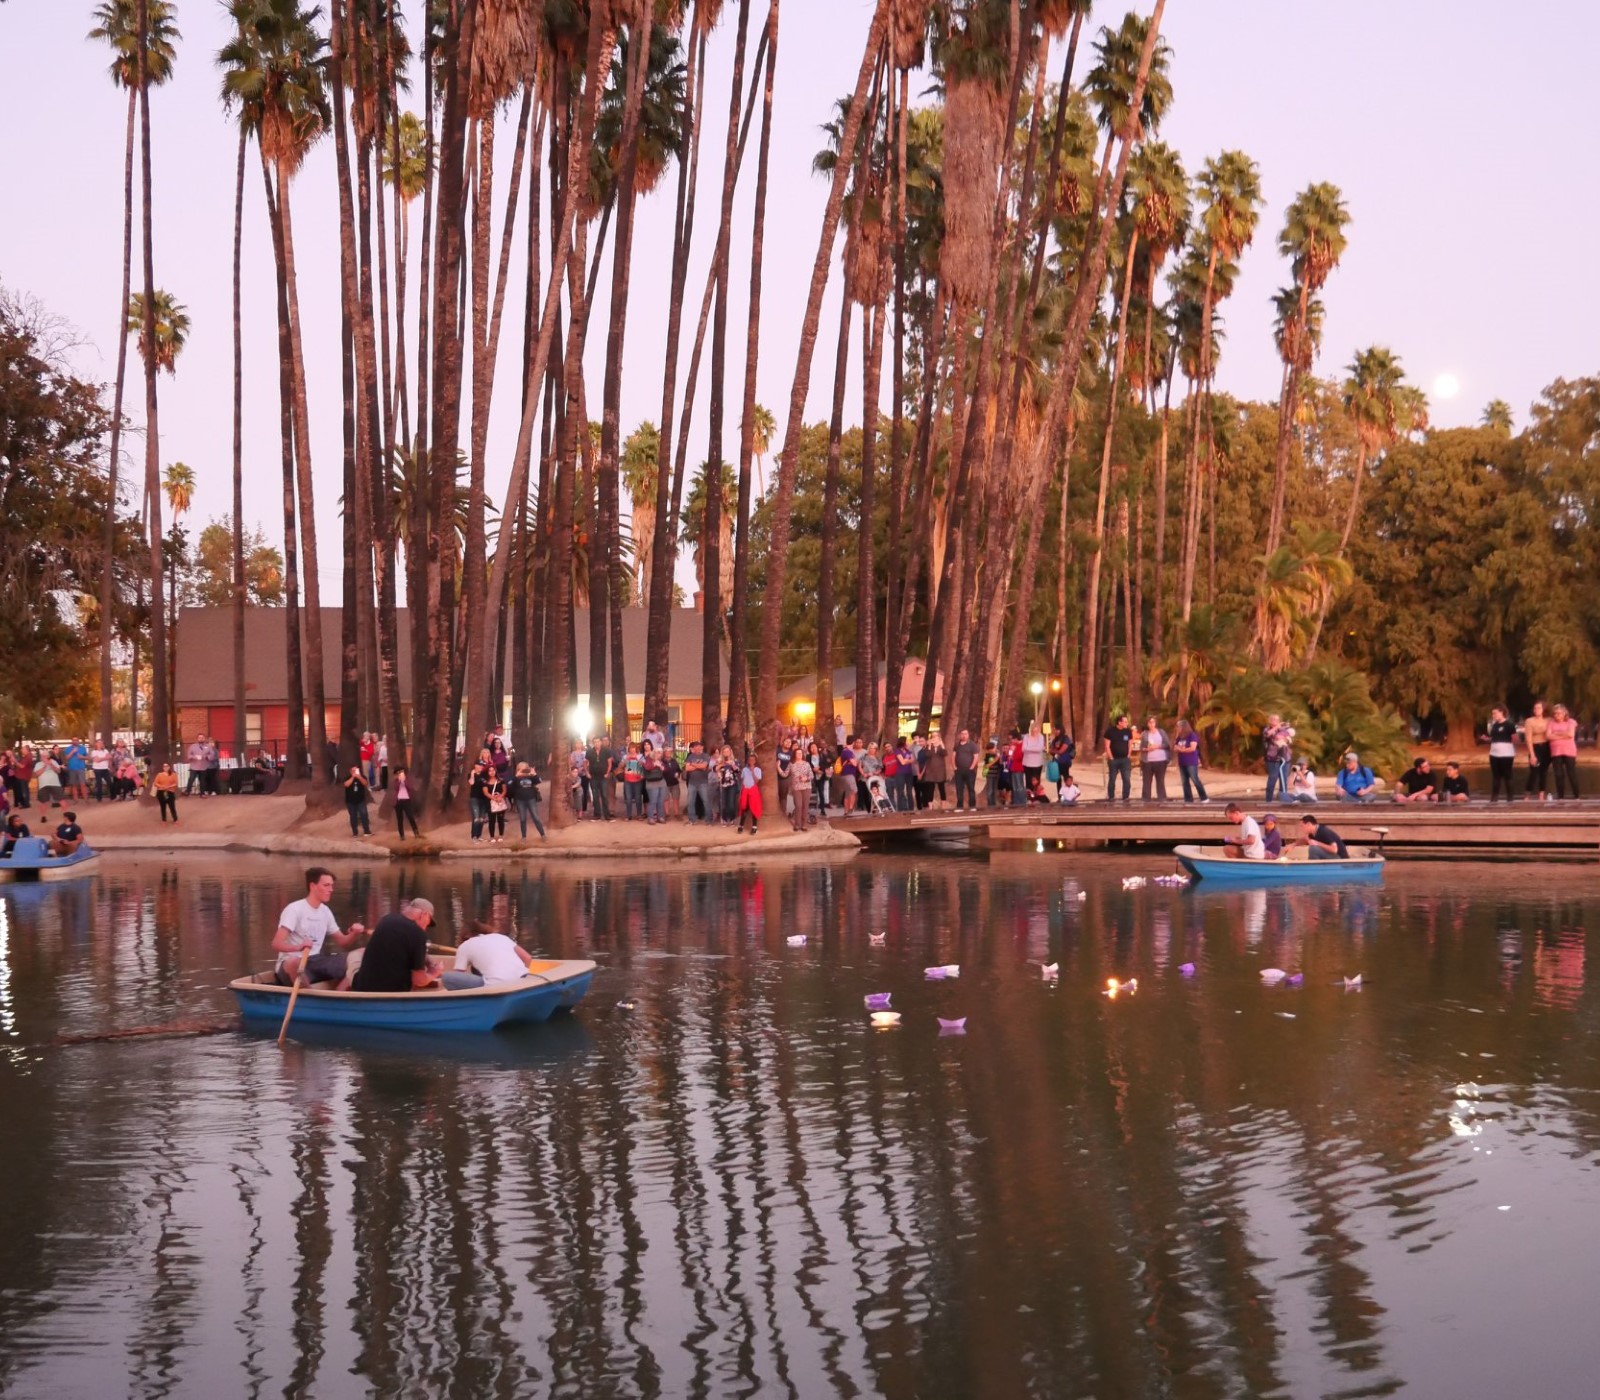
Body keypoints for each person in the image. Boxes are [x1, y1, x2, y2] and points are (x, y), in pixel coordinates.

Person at [270, 868, 367, 985]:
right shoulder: (294, 909)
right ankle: (309, 997)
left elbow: (343, 942)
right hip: (292, 963)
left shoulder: (325, 911)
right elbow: (276, 944)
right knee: (293, 963)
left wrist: (354, 933)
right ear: (312, 886)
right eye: (326, 885)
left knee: (362, 954)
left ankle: (338, 996)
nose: (331, 890)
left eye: (332, 886)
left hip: (317, 961)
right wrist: (299, 947)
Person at [351, 898, 442, 993]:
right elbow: (419, 981)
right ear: (424, 915)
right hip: (394, 994)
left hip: (363, 989)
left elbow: (400, 948)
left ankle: (341, 993)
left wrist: (424, 957)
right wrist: (434, 973)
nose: (426, 928)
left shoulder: (386, 919)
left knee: (354, 955)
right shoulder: (418, 934)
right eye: (428, 923)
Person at [443, 920, 536, 990]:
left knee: (448, 978)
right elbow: (527, 958)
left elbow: (458, 975)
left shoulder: (465, 946)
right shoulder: (501, 937)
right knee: (475, 969)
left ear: (464, 936)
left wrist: (438, 974)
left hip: (495, 987)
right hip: (522, 981)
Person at [1548, 704, 1580, 799]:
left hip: (1569, 751)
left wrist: (1556, 734)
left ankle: (1576, 796)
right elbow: (1548, 736)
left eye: (1559, 713)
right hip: (1556, 752)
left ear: (1564, 713)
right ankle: (1560, 796)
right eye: (1555, 714)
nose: (1556, 715)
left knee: (1571, 773)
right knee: (1558, 775)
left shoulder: (1571, 722)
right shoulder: (1551, 723)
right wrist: (1563, 734)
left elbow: (1570, 734)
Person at [1262, 714, 1295, 802]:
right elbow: (1267, 735)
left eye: (1277, 719)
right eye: (1273, 719)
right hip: (1272, 759)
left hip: (1285, 758)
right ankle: (1268, 800)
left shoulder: (1284, 730)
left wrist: (1285, 739)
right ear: (1269, 721)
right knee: (1272, 778)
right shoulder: (1267, 729)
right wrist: (1276, 727)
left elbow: (1290, 737)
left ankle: (1283, 799)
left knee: (1283, 780)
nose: (1275, 720)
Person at [1487, 706, 1517, 802]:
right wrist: (1487, 739)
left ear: (1502, 712)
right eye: (1493, 714)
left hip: (1506, 754)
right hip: (1494, 753)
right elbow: (1493, 738)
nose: (1493, 715)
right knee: (1496, 776)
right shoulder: (1494, 725)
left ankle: (1510, 797)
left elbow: (1514, 738)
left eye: (1495, 713)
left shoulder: (1509, 724)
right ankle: (1494, 797)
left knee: (1507, 775)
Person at [1523, 700, 1551, 801]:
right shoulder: (1529, 721)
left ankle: (1541, 794)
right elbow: (1528, 738)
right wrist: (1532, 754)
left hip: (1546, 747)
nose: (1536, 710)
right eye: (1535, 708)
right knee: (1534, 772)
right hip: (1535, 747)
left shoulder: (1549, 720)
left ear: (1543, 709)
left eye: (1539, 708)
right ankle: (1527, 793)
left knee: (1544, 772)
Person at [1174, 719, 1207, 803]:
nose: (1177, 728)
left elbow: (1192, 748)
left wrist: (1182, 750)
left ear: (1183, 727)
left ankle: (1204, 797)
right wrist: (1178, 749)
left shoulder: (1192, 735)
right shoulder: (1179, 737)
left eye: (1178, 726)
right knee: (1184, 781)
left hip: (1191, 761)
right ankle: (1188, 798)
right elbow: (1175, 747)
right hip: (1182, 761)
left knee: (1195, 779)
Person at [510, 762, 545, 840]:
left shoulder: (530, 777)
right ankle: (524, 837)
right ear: (518, 769)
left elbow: (539, 780)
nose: (523, 770)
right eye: (520, 768)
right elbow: (509, 784)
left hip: (531, 799)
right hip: (520, 800)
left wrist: (534, 774)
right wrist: (516, 776)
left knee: (536, 817)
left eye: (524, 768)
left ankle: (543, 835)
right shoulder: (516, 777)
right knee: (522, 819)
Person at [1102, 715, 1133, 802]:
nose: (1127, 723)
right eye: (1125, 722)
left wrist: (1128, 755)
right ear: (1119, 722)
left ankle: (1126, 796)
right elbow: (1107, 746)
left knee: (1126, 778)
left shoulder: (1128, 731)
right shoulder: (1110, 731)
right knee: (1112, 778)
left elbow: (1130, 744)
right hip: (1114, 759)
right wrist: (1111, 757)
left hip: (1125, 759)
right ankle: (1111, 796)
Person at [1140, 717, 1171, 802]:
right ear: (1147, 724)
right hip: (1148, 761)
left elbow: (1167, 744)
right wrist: (1147, 749)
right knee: (1146, 780)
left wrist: (1157, 746)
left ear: (1155, 723)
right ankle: (1146, 798)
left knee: (1160, 780)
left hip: (1161, 760)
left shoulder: (1161, 732)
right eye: (1149, 722)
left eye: (1153, 722)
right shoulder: (1145, 734)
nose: (1151, 724)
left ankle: (1162, 797)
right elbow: (1142, 748)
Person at [684, 740, 712, 824]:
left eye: (700, 746)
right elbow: (687, 768)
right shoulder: (690, 756)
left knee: (706, 801)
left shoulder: (705, 756)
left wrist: (693, 765)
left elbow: (704, 766)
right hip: (692, 783)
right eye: (696, 747)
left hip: (703, 783)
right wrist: (698, 767)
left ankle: (709, 819)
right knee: (690, 802)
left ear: (702, 747)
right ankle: (692, 819)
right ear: (694, 748)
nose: (698, 748)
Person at [951, 729, 979, 812]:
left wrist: (972, 767)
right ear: (960, 735)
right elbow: (953, 756)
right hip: (959, 771)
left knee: (971, 788)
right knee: (959, 789)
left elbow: (976, 756)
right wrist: (954, 767)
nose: (964, 735)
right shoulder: (957, 745)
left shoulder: (972, 745)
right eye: (962, 734)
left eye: (965, 734)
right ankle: (959, 806)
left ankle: (972, 806)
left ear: (968, 735)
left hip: (969, 771)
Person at [391, 766, 421, 838]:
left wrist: (404, 781)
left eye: (402, 771)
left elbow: (410, 787)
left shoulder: (407, 779)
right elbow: (396, 788)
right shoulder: (395, 781)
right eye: (399, 772)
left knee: (410, 817)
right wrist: (399, 780)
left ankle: (416, 833)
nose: (400, 773)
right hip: (398, 802)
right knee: (400, 819)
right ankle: (402, 836)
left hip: (406, 801)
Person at [737, 752, 763, 834]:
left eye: (753, 760)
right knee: (744, 808)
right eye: (750, 760)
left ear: (755, 761)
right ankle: (741, 825)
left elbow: (757, 781)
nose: (751, 761)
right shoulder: (744, 769)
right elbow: (742, 780)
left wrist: (752, 772)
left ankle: (754, 827)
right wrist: (740, 792)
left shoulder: (758, 770)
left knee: (754, 808)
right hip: (745, 790)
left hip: (753, 790)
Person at [343, 765, 373, 835]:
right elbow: (346, 784)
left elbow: (365, 783)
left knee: (364, 814)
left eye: (356, 770)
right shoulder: (347, 777)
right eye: (353, 771)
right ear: (350, 772)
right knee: (353, 816)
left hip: (361, 800)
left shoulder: (362, 777)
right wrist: (353, 777)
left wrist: (359, 777)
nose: (355, 772)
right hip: (350, 801)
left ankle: (367, 831)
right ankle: (355, 833)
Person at [482, 766, 509, 842]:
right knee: (492, 820)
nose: (492, 772)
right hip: (490, 803)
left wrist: (500, 797)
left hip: (500, 802)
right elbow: (486, 793)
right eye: (490, 770)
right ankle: (492, 837)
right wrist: (494, 798)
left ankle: (501, 835)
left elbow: (504, 790)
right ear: (487, 772)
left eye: (493, 770)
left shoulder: (501, 780)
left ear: (496, 771)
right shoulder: (485, 782)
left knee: (500, 819)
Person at [790, 746, 814, 831]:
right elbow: (785, 774)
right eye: (798, 753)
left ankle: (803, 824)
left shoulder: (806, 764)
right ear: (795, 755)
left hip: (806, 787)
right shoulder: (791, 764)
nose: (799, 755)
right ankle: (797, 824)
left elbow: (811, 775)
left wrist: (806, 778)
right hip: (796, 788)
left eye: (801, 753)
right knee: (798, 806)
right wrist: (778, 767)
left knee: (805, 806)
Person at [643, 745, 668, 824]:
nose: (659, 754)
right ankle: (650, 818)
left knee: (661, 800)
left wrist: (662, 767)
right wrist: (654, 765)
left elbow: (665, 769)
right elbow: (647, 767)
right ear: (654, 752)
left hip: (661, 782)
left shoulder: (661, 760)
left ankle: (660, 817)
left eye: (660, 753)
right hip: (651, 783)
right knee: (653, 801)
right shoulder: (648, 759)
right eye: (657, 752)